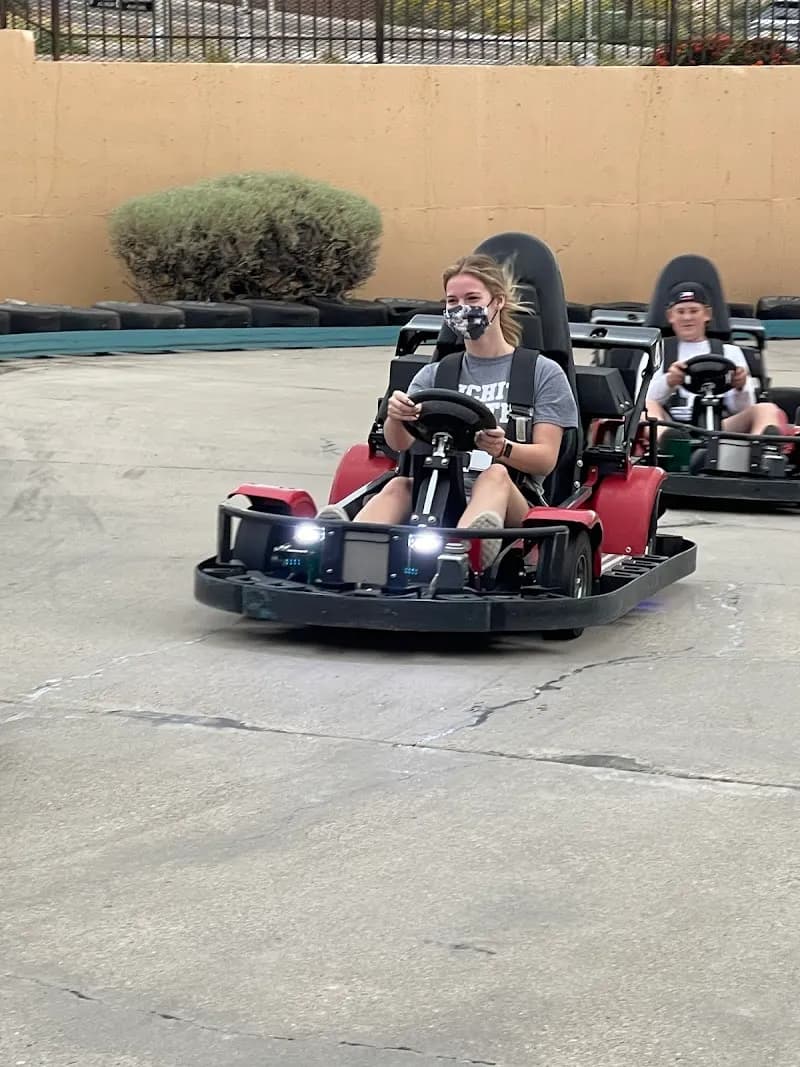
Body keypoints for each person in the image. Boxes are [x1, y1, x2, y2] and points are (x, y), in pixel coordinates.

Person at [317, 252, 579, 568]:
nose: (461, 308)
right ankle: (347, 546)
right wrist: (397, 417)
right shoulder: (436, 373)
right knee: (400, 483)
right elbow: (399, 445)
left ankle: (461, 557)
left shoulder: (541, 372)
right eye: (452, 301)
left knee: (494, 474)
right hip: (438, 490)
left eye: (471, 298)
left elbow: (547, 459)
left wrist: (503, 448)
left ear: (497, 302)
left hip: (514, 502)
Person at [645, 281, 784, 439]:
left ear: (707, 314)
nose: (687, 317)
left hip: (721, 426)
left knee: (767, 409)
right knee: (648, 408)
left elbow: (743, 408)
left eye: (694, 311)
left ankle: (761, 455)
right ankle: (669, 447)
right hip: (672, 426)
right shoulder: (656, 351)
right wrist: (669, 381)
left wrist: (740, 387)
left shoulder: (730, 352)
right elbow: (643, 400)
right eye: (681, 312)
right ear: (670, 316)